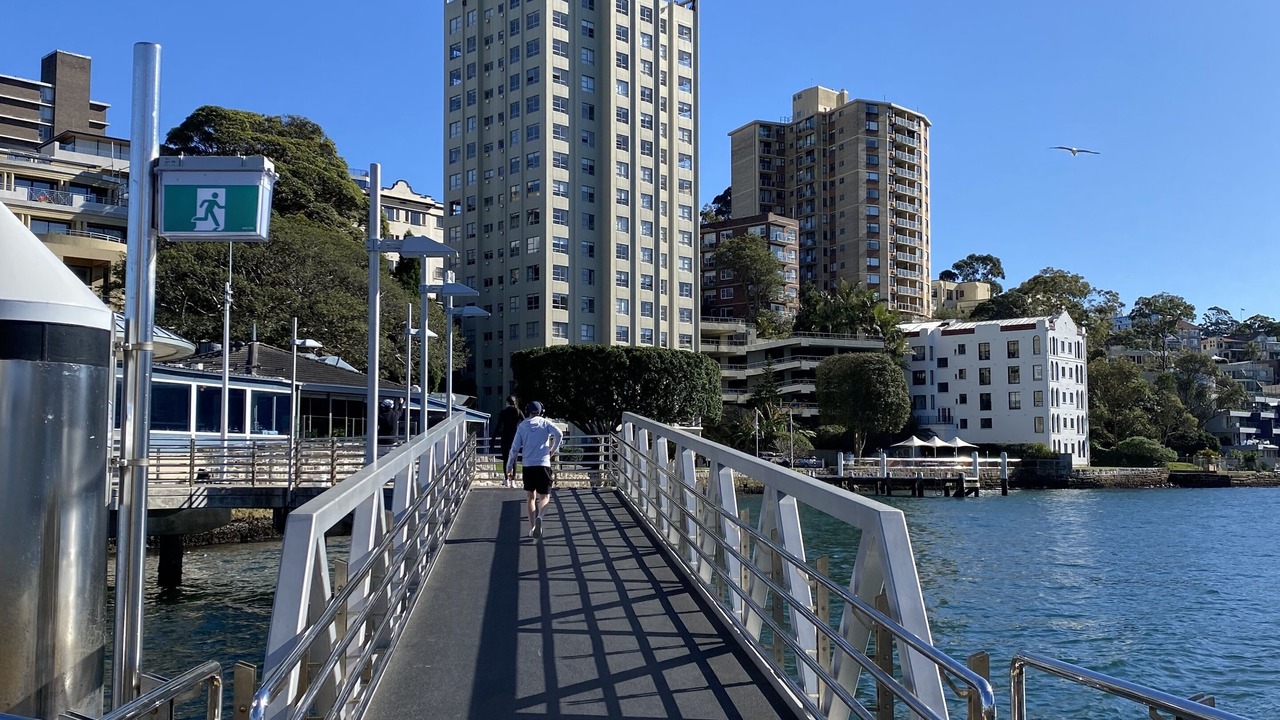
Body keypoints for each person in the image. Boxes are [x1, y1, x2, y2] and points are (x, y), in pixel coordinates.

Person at [505, 401, 563, 539]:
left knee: (530, 497)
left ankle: (533, 528)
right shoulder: (545, 423)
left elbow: (514, 448)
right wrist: (552, 450)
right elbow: (559, 434)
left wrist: (509, 466)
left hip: (528, 465)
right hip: (543, 464)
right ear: (541, 411)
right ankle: (540, 517)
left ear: (527, 411)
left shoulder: (522, 426)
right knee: (545, 496)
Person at [494, 395, 524, 487]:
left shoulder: (503, 412)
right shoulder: (518, 412)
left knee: (506, 459)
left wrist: (493, 438)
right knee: (514, 458)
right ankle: (513, 480)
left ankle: (507, 479)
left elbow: (498, 426)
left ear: (507, 402)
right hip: (515, 438)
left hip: (505, 437)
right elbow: (525, 422)